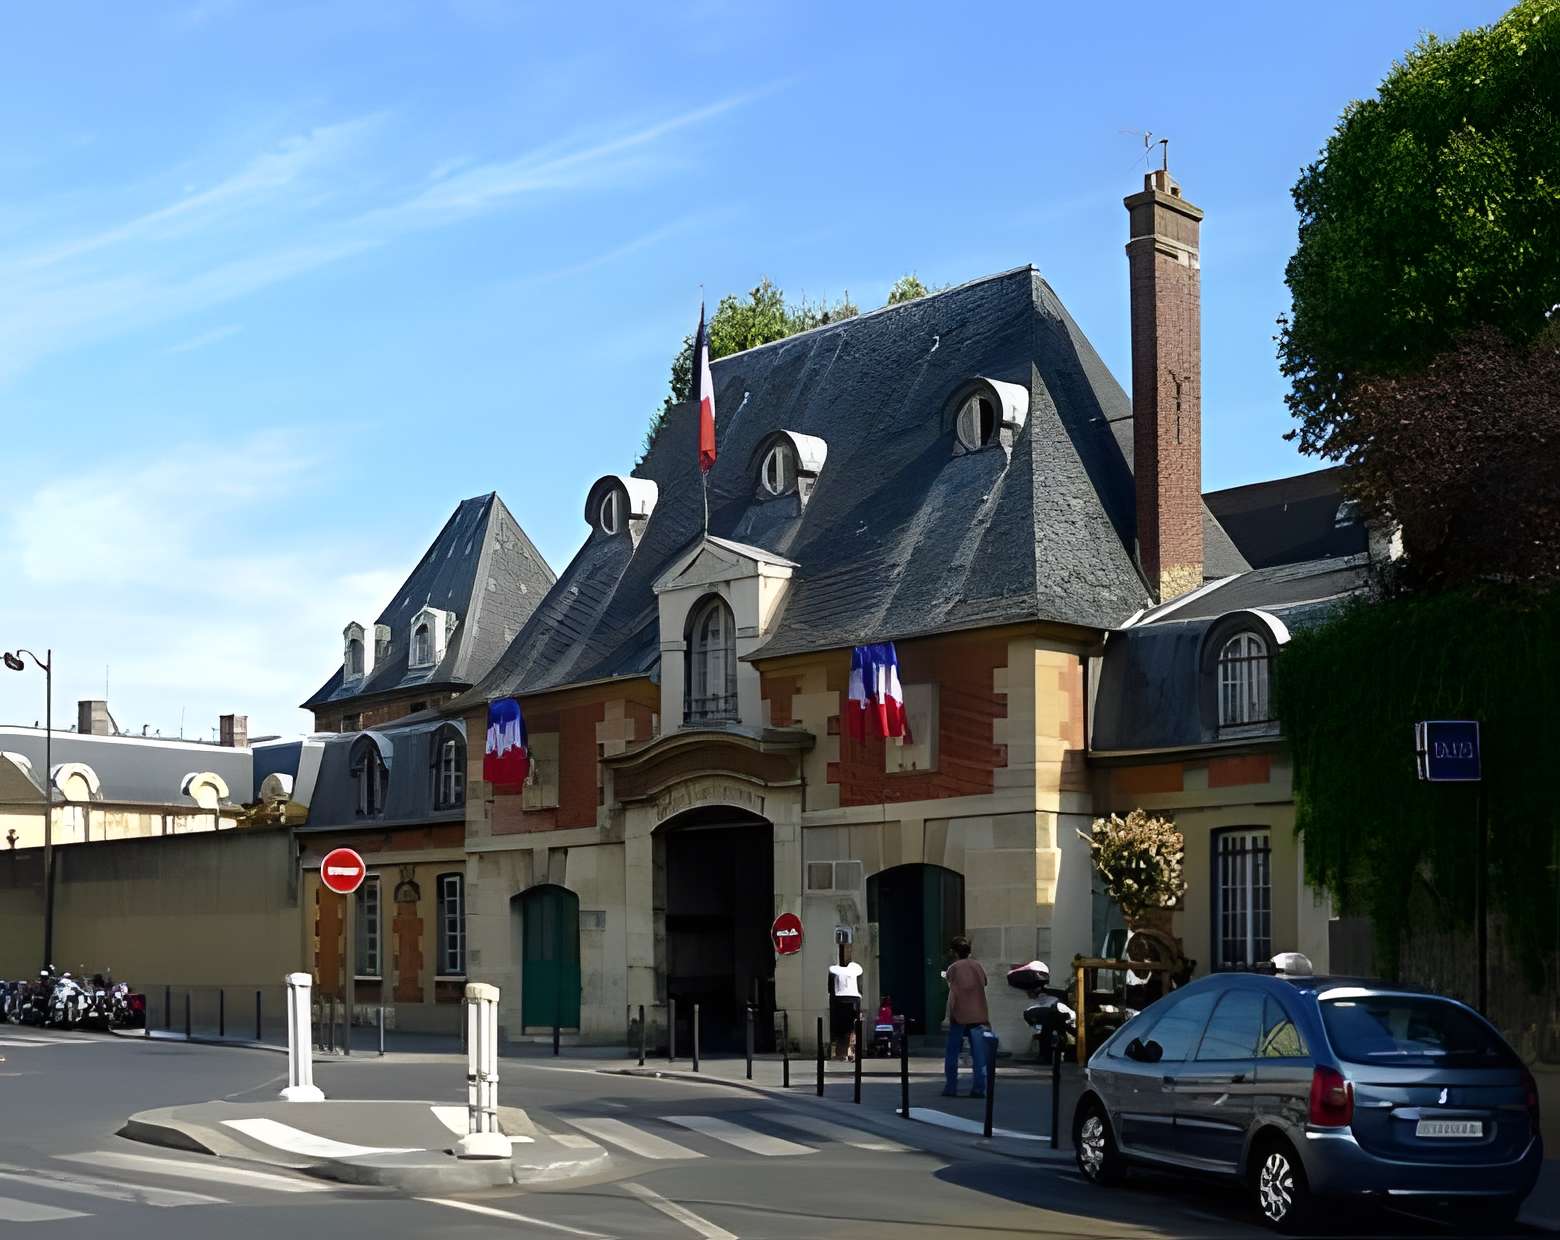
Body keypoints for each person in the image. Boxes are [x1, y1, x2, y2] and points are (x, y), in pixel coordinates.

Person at [943, 935, 991, 1098]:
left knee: (952, 1051)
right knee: (979, 1054)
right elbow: (984, 982)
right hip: (978, 1013)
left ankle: (951, 1087)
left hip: (959, 1014)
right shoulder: (977, 966)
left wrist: (948, 1015)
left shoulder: (953, 968)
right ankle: (979, 1087)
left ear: (955, 952)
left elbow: (951, 989)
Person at [827, 944, 864, 1061]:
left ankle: (844, 1053)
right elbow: (860, 987)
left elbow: (830, 988)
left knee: (843, 1030)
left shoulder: (835, 971)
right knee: (850, 1029)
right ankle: (848, 1052)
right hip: (852, 999)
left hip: (841, 999)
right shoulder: (856, 970)